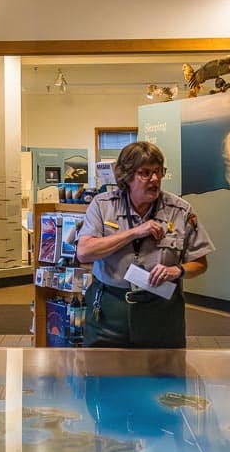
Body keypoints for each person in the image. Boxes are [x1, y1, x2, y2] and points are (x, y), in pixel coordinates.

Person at [76, 141, 213, 348]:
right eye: (145, 173)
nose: (155, 179)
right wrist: (134, 232)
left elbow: (200, 264)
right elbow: (84, 253)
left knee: (165, 377)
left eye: (159, 172)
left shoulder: (180, 210)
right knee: (102, 376)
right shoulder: (103, 206)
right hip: (109, 313)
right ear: (127, 177)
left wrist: (177, 271)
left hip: (161, 314)